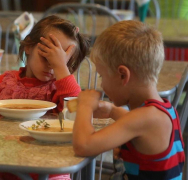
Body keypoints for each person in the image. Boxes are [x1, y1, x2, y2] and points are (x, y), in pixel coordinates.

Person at [0, 15, 90, 180]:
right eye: (47, 57)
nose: (52, 66)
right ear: (28, 46)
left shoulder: (60, 90)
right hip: (6, 170)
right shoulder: (3, 84)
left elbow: (78, 112)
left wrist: (61, 69)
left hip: (51, 172)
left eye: (63, 61)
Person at [73, 20, 185, 180]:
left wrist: (85, 106)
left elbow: (83, 146)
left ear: (122, 75)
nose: (102, 84)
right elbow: (137, 124)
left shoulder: (144, 118)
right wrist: (111, 110)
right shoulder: (164, 111)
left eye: (102, 76)